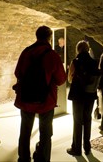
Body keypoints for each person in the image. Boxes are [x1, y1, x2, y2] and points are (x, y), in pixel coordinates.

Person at [14, 26, 66, 162]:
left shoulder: (26, 52)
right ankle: (43, 158)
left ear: (36, 36)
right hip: (46, 100)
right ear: (49, 37)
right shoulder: (52, 55)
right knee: (45, 133)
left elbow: (17, 73)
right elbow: (61, 79)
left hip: (25, 98)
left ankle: (23, 158)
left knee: (25, 132)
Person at [66, 40, 99, 156]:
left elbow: (69, 79)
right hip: (90, 94)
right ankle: (87, 147)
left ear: (78, 49)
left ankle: (76, 148)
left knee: (77, 121)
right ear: (87, 48)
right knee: (87, 119)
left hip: (78, 95)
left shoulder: (75, 61)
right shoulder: (94, 62)